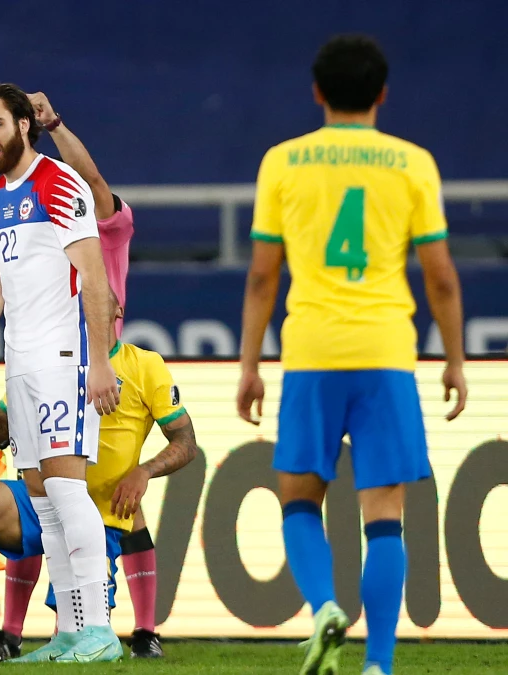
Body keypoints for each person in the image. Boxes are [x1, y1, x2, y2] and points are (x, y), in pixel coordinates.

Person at [236, 34, 467, 675]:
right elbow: (441, 275)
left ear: (317, 93)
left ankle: (323, 608)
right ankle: (379, 665)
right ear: (382, 94)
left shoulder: (283, 161)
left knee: (299, 500)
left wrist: (251, 364)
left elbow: (262, 277)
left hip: (311, 350)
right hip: (386, 352)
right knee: (385, 515)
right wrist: (453, 358)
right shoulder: (412, 162)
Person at [0, 81, 123, 663]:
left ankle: (100, 630)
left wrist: (98, 364)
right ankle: (70, 633)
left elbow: (95, 280)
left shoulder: (60, 183)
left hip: (65, 363)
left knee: (69, 494)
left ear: (23, 124)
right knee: (45, 507)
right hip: (21, 366)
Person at [0, 309, 197, 660]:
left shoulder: (144, 365)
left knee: (76, 633)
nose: (83, 312)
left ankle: (127, 631)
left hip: (98, 511)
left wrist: (143, 471)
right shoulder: (45, 363)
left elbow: (185, 442)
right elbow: (0, 426)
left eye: (91, 301)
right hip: (41, 503)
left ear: (115, 310)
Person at [25, 91, 162, 658]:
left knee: (81, 493)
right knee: (53, 495)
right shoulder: (44, 224)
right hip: (48, 363)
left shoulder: (109, 228)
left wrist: (53, 125)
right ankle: (71, 631)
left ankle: (106, 629)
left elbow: (95, 178)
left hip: (94, 365)